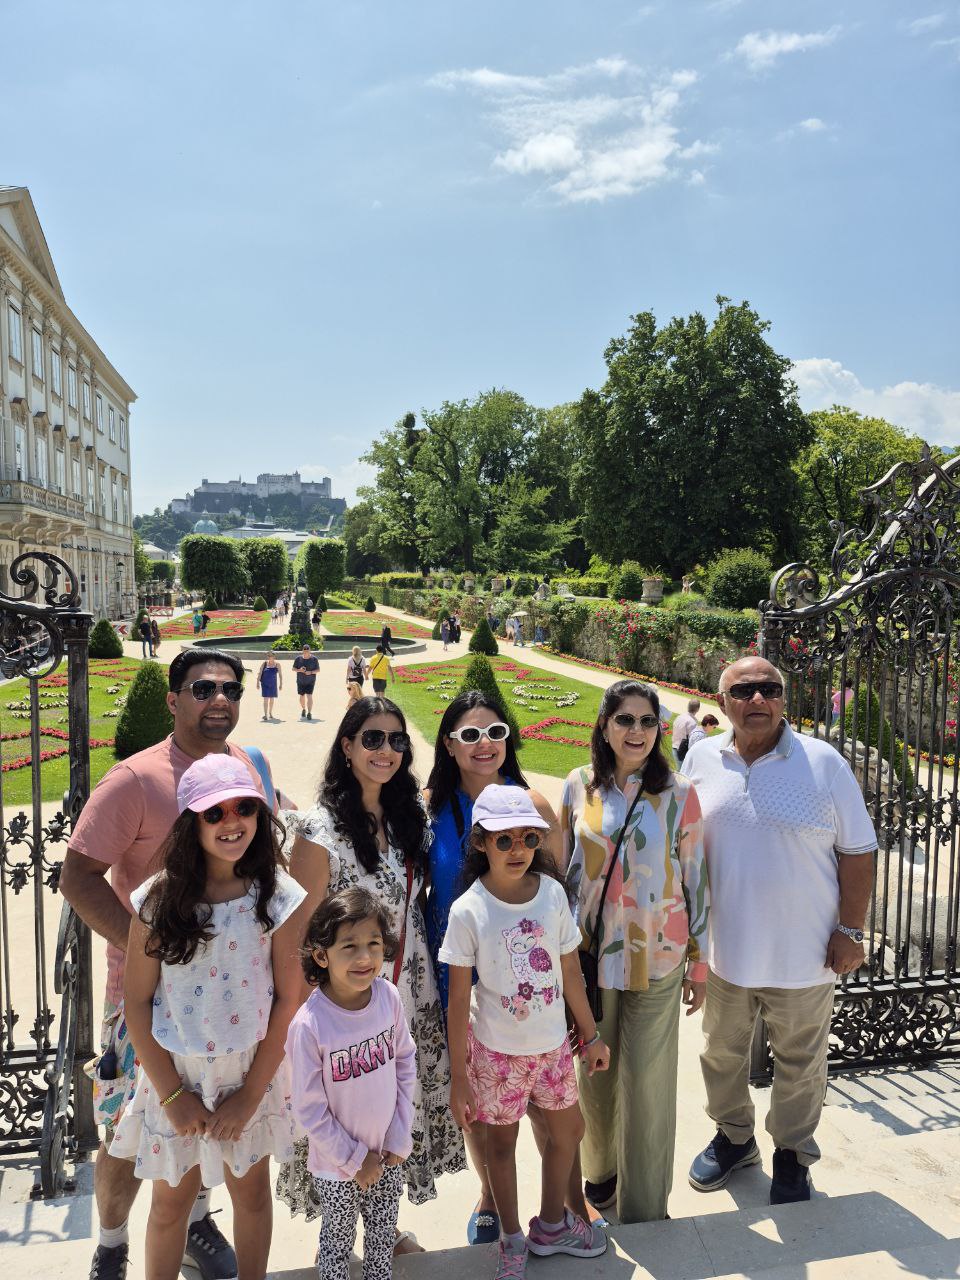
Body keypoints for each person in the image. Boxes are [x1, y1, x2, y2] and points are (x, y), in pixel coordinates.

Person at [60, 647, 282, 1280]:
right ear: (173, 699)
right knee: (130, 1133)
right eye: (203, 688)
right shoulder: (134, 779)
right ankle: (111, 1244)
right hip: (146, 998)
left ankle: (195, 1225)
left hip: (225, 1000)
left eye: (231, 689)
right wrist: (150, 952)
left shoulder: (243, 766)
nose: (220, 699)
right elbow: (77, 878)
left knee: (211, 1119)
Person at [682, 656, 876, 1204]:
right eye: (743, 690)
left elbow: (859, 851)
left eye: (769, 689)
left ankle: (792, 1154)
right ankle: (734, 1138)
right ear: (722, 702)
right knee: (721, 1055)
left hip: (805, 953)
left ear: (784, 698)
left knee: (800, 1065)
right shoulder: (701, 758)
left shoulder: (823, 763)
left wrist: (851, 930)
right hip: (725, 953)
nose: (757, 700)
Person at [110, 756, 307, 1280]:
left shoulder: (276, 896)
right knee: (170, 1203)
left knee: (252, 1194)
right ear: (189, 822)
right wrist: (172, 1095)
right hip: (175, 1072)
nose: (231, 821)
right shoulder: (159, 900)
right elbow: (137, 1002)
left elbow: (289, 1000)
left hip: (250, 1072)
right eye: (214, 813)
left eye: (245, 808)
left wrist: (251, 1094)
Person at [277, 695, 465, 1227]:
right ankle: (345, 1231)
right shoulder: (318, 830)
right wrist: (309, 1018)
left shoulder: (409, 818)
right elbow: (302, 936)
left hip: (407, 985)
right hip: (347, 998)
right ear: (347, 746)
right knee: (348, 1104)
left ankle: (385, 1226)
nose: (387, 750)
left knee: (393, 1103)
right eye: (373, 738)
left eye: (397, 740)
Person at [424, 691, 587, 1244]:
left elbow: (554, 893)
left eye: (495, 732)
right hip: (456, 963)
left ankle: (569, 1202)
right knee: (485, 1097)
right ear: (449, 745)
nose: (484, 744)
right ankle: (491, 1195)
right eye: (470, 735)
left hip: (527, 975)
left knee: (551, 1100)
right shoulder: (430, 807)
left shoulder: (533, 804)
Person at [441, 786, 609, 1280]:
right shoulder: (468, 910)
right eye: (504, 840)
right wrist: (459, 1078)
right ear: (480, 843)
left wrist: (591, 1035)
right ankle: (512, 1237)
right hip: (497, 1055)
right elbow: (457, 1000)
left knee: (568, 1132)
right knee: (500, 1148)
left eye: (528, 838)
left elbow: (570, 971)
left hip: (553, 1048)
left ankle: (552, 1224)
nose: (518, 850)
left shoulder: (552, 894)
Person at [562, 679, 709, 1224]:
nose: (637, 731)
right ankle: (600, 1176)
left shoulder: (680, 793)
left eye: (648, 721)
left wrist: (700, 961)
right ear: (604, 726)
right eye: (625, 719)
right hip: (592, 959)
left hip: (659, 957)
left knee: (648, 1084)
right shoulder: (578, 786)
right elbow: (564, 875)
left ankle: (646, 1210)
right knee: (594, 1075)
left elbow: (697, 878)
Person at [287, 888, 416, 1280]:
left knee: (382, 1238)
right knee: (337, 1244)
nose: (364, 958)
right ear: (321, 956)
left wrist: (399, 1134)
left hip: (388, 1155)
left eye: (373, 944)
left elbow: (405, 1063)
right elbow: (309, 1109)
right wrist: (355, 1159)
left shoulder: (388, 997)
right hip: (338, 1167)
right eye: (349, 946)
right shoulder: (309, 1026)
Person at [294, 644, 320, 720]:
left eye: (307, 651)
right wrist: (299, 670)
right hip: (300, 681)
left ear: (310, 650)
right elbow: (293, 669)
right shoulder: (298, 659)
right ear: (302, 650)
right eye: (304, 651)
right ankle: (303, 709)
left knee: (309, 696)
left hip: (310, 681)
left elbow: (318, 670)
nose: (306, 652)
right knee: (301, 697)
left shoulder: (314, 659)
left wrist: (310, 672)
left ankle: (309, 713)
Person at [671, 698, 701, 763]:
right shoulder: (692, 722)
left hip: (674, 747)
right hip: (682, 751)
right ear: (698, 709)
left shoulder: (679, 717)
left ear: (688, 706)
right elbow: (693, 740)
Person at [257, 651, 282, 721]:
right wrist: (257, 683)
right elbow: (260, 673)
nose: (269, 657)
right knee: (265, 699)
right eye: (268, 656)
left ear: (274, 656)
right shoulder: (264, 663)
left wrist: (281, 684)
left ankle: (270, 713)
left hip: (273, 684)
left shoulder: (277, 664)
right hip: (265, 684)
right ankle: (265, 715)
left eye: (271, 656)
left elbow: (280, 675)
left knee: (271, 699)